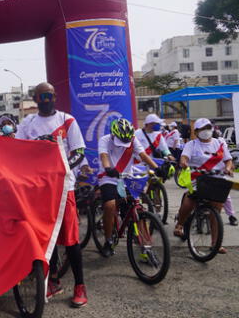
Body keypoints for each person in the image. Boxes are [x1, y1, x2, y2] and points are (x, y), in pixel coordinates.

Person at [15, 82, 89, 308]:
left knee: (71, 239)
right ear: (35, 99)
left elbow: (78, 151)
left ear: (55, 96)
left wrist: (63, 166)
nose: (46, 99)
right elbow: (16, 151)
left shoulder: (68, 120)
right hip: (38, 188)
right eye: (42, 96)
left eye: (50, 95)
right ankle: (52, 279)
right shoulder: (27, 123)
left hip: (64, 186)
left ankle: (80, 285)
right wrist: (36, 144)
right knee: (46, 236)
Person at [98, 118, 159, 257]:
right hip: (109, 177)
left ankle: (146, 246)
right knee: (110, 205)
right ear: (113, 134)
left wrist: (157, 168)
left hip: (126, 177)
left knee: (137, 208)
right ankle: (108, 241)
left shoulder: (132, 139)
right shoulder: (105, 140)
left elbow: (143, 155)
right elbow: (104, 156)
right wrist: (108, 168)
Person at [174, 118, 233, 254]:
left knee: (216, 209)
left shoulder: (220, 143)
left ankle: (215, 244)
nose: (206, 131)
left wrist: (228, 168)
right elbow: (184, 158)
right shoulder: (192, 144)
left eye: (208, 128)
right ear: (196, 132)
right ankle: (180, 225)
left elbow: (228, 160)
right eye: (202, 129)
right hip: (197, 180)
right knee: (189, 203)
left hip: (216, 180)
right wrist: (184, 163)